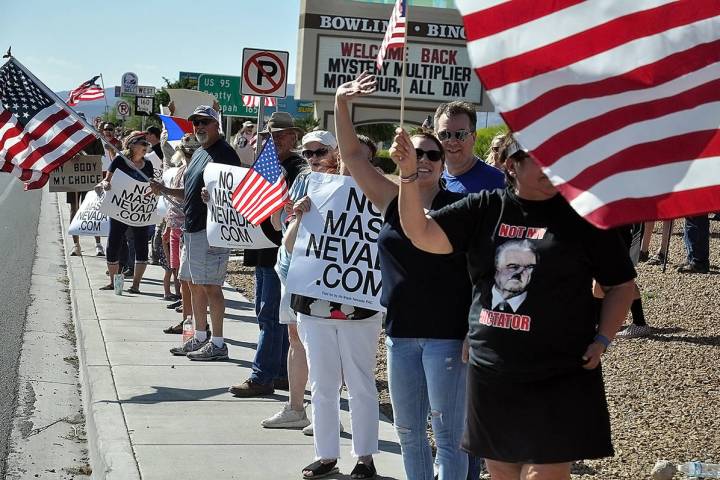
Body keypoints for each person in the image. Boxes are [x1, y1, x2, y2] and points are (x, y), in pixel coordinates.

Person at [391, 130, 637, 480]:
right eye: (541, 158)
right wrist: (406, 175)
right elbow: (421, 233)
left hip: (561, 370)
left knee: (544, 474)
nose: (552, 168)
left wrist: (603, 339)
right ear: (512, 165)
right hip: (494, 368)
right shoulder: (487, 206)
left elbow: (622, 286)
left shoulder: (582, 218)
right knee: (503, 471)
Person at [335, 72, 472, 480]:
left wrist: (473, 328)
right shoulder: (389, 199)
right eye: (417, 153)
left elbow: (481, 274)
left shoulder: (461, 207)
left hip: (448, 338)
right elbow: (355, 158)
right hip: (400, 335)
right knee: (410, 433)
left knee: (447, 438)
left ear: (443, 163)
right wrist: (342, 104)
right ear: (401, 156)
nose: (425, 160)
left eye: (433, 155)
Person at [282, 136, 382, 480]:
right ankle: (325, 455)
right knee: (322, 384)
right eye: (350, 160)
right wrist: (300, 216)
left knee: (360, 383)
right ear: (339, 161)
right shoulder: (317, 194)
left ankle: (365, 458)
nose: (355, 167)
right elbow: (291, 247)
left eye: (364, 161)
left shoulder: (383, 201)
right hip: (314, 307)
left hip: (361, 310)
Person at [260, 129, 341, 430]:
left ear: (335, 152)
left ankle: (327, 412)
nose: (313, 158)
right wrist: (288, 213)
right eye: (307, 153)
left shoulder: (346, 183)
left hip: (328, 274)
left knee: (330, 343)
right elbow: (279, 221)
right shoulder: (302, 180)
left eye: (320, 152)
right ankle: (296, 408)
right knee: (296, 338)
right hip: (293, 268)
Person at [150, 106, 240, 360]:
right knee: (192, 285)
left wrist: (216, 198)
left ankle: (219, 343)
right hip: (190, 228)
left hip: (211, 231)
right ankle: (199, 337)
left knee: (211, 286)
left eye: (204, 122)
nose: (199, 127)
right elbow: (189, 194)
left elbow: (235, 194)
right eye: (195, 123)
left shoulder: (225, 154)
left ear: (216, 125)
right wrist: (164, 189)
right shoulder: (200, 153)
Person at [230, 112, 305, 396]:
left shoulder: (298, 168)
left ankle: (262, 376)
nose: (276, 140)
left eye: (282, 135)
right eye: (271, 136)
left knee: (270, 314)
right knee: (272, 313)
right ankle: (280, 372)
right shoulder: (266, 165)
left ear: (293, 137)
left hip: (280, 250)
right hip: (263, 247)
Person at [96, 131, 155, 293]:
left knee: (141, 245)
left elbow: (151, 184)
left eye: (147, 145)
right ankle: (114, 282)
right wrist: (106, 185)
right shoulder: (119, 161)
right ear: (132, 145)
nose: (145, 147)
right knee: (114, 244)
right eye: (142, 144)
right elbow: (106, 180)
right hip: (120, 210)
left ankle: (136, 285)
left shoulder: (148, 165)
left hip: (139, 211)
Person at [161, 134, 200, 333]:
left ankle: (192, 320)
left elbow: (186, 194)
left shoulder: (194, 170)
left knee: (188, 277)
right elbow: (174, 202)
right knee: (179, 272)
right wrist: (168, 224)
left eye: (193, 151)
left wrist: (163, 189)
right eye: (187, 151)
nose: (190, 154)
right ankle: (186, 316)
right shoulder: (182, 169)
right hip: (176, 224)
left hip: (188, 226)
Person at [434, 101, 505, 195]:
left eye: (461, 134)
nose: (452, 141)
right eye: (444, 134)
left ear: (474, 137)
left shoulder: (498, 182)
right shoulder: (433, 182)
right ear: (435, 137)